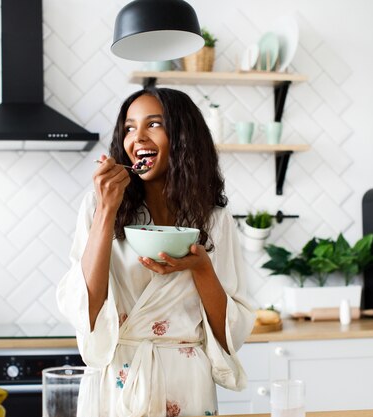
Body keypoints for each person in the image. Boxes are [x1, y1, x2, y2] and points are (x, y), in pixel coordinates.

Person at [57, 87, 254, 417]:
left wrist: (202, 268)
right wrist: (107, 209)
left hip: (186, 383)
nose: (138, 137)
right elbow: (86, 312)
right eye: (130, 127)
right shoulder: (99, 205)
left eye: (154, 124)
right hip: (116, 382)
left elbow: (229, 335)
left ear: (183, 136)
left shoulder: (214, 219)